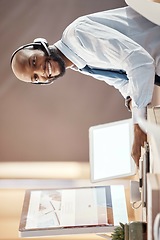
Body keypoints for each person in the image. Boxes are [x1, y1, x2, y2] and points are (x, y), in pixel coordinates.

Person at [10, 6, 160, 167]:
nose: (41, 71)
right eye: (35, 77)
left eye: (34, 61)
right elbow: (122, 80)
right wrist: (132, 101)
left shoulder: (79, 36)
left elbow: (138, 61)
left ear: (40, 46)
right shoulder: (79, 63)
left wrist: (139, 127)